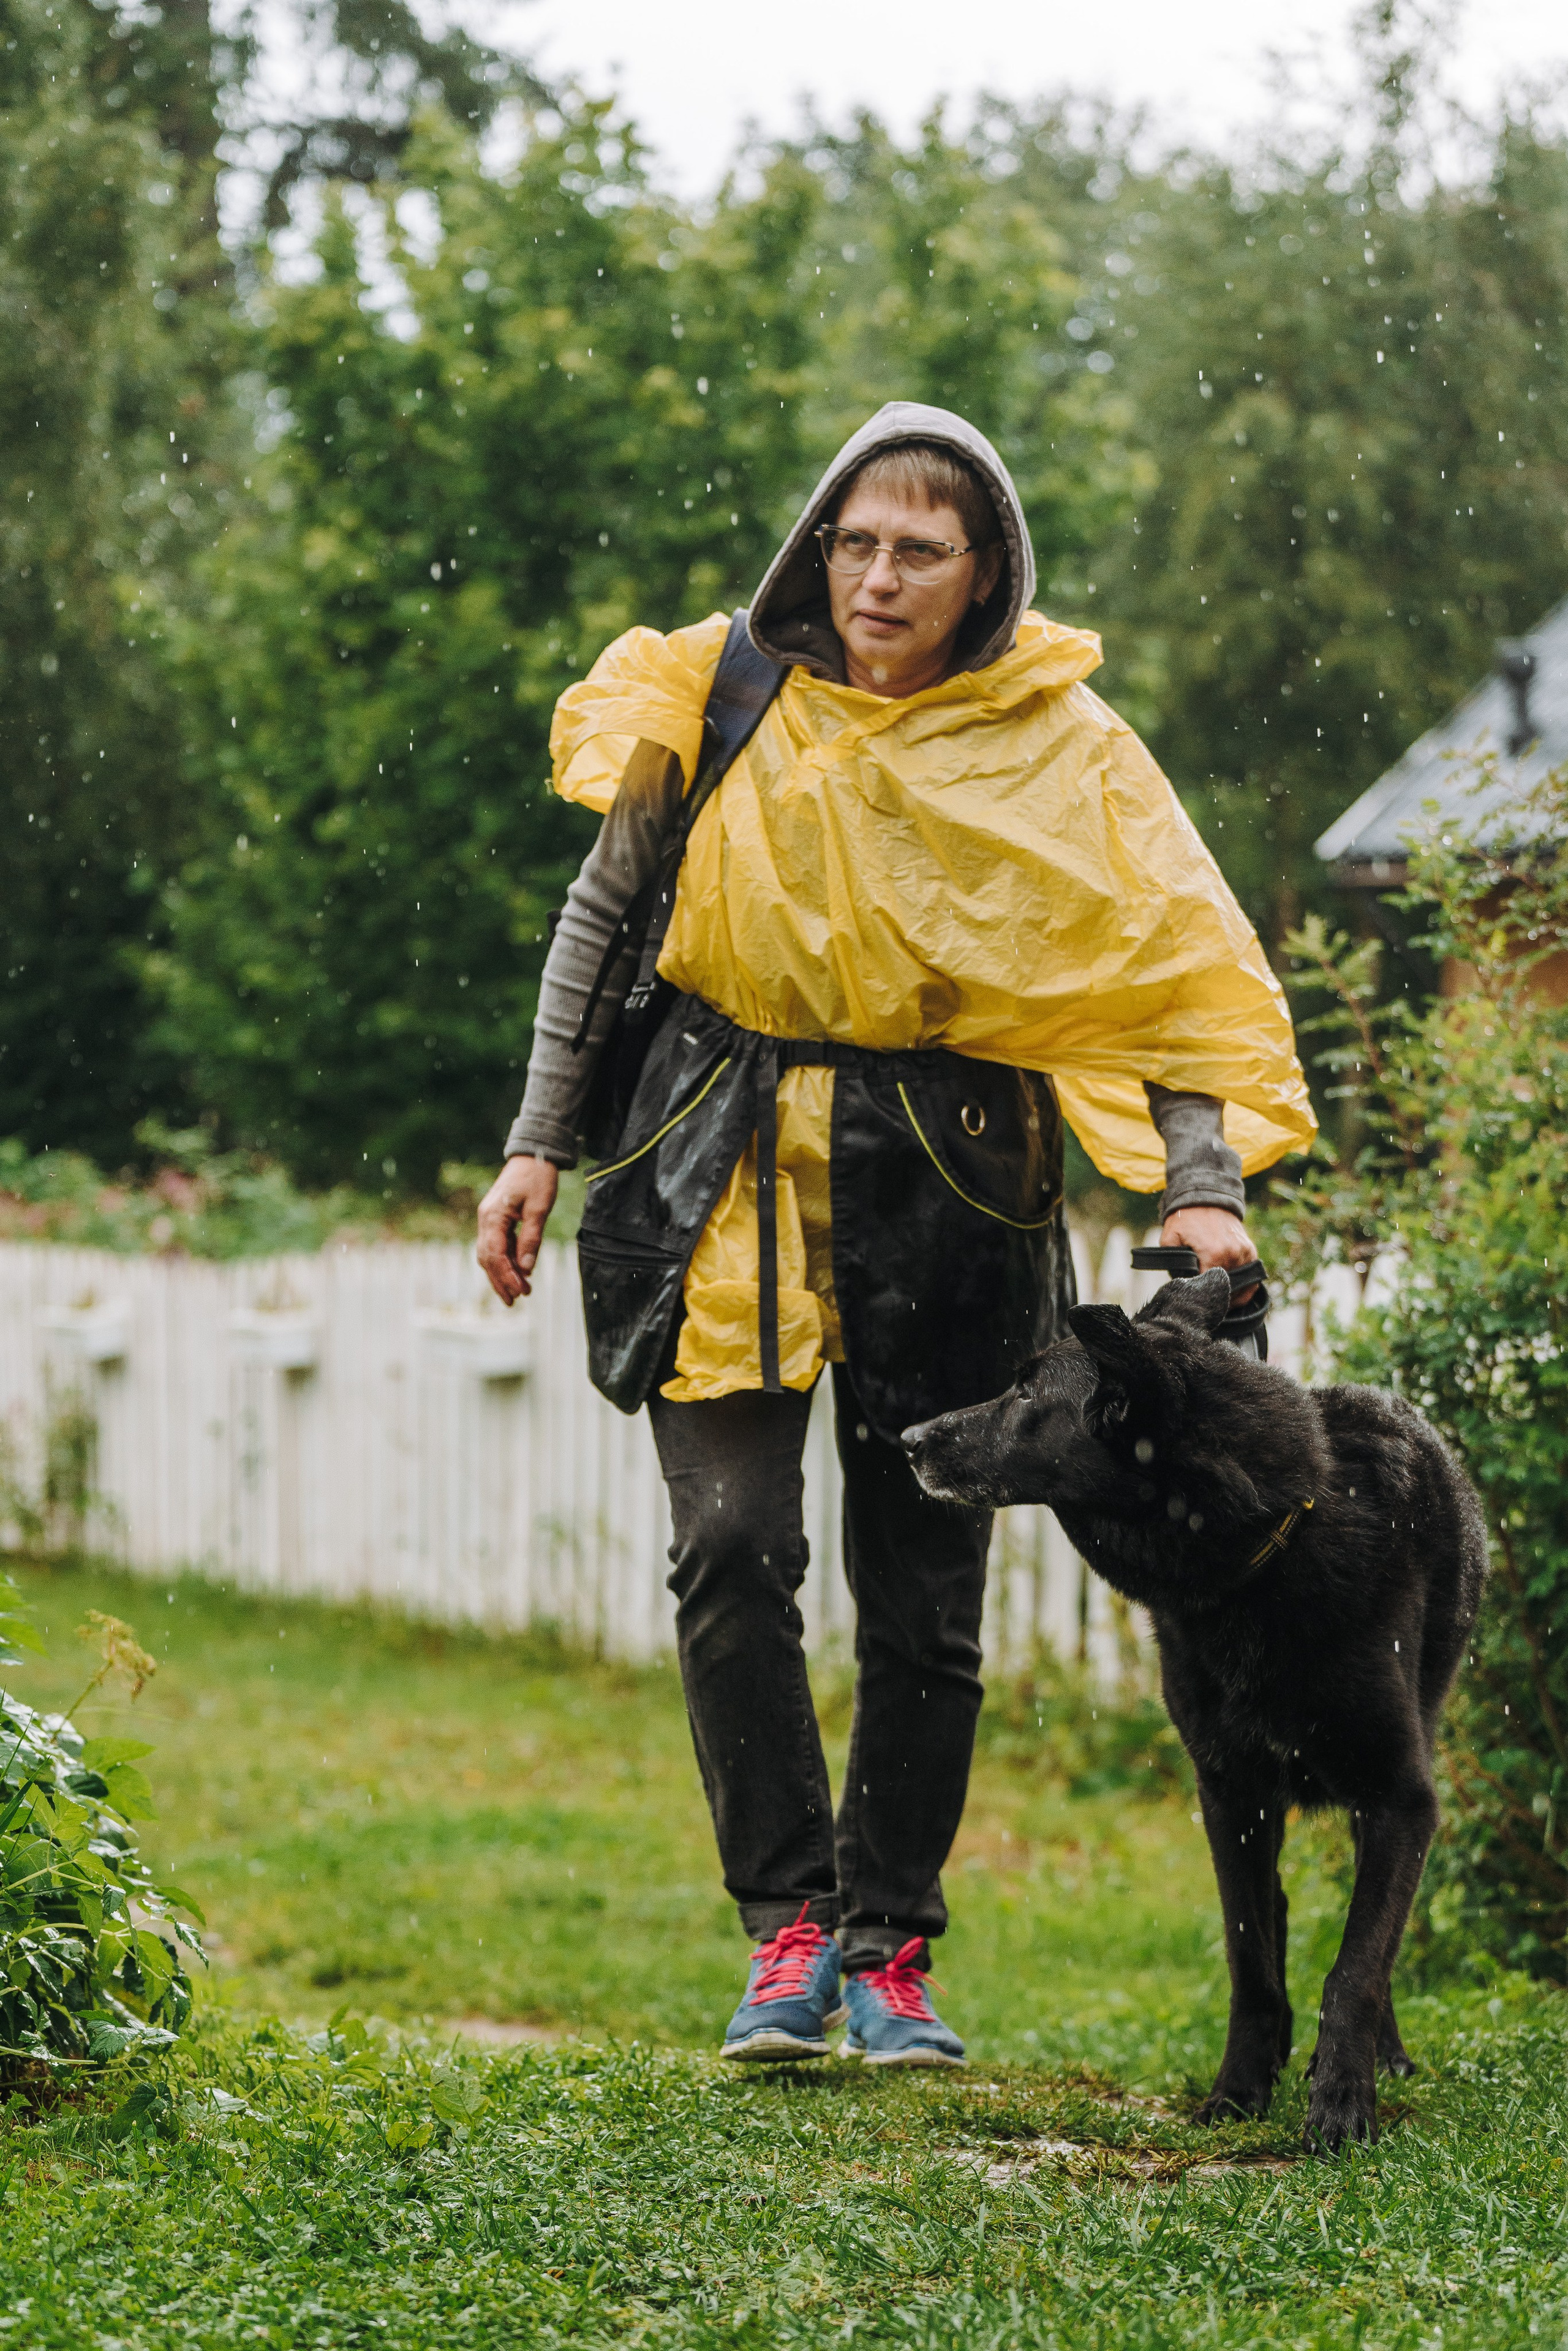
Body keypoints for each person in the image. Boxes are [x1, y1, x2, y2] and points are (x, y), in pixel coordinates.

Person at [477, 402, 1314, 2067]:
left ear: (984, 569)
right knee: (729, 1549)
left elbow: (1172, 968)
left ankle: (890, 1948)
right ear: (819, 543)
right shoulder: (722, 691)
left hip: (956, 1178)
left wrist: (1201, 1176)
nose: (874, 576)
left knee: (925, 1592)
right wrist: (532, 1144)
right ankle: (786, 1932)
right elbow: (604, 911)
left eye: (916, 551)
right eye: (854, 541)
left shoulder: (1061, 746)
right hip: (709, 1156)